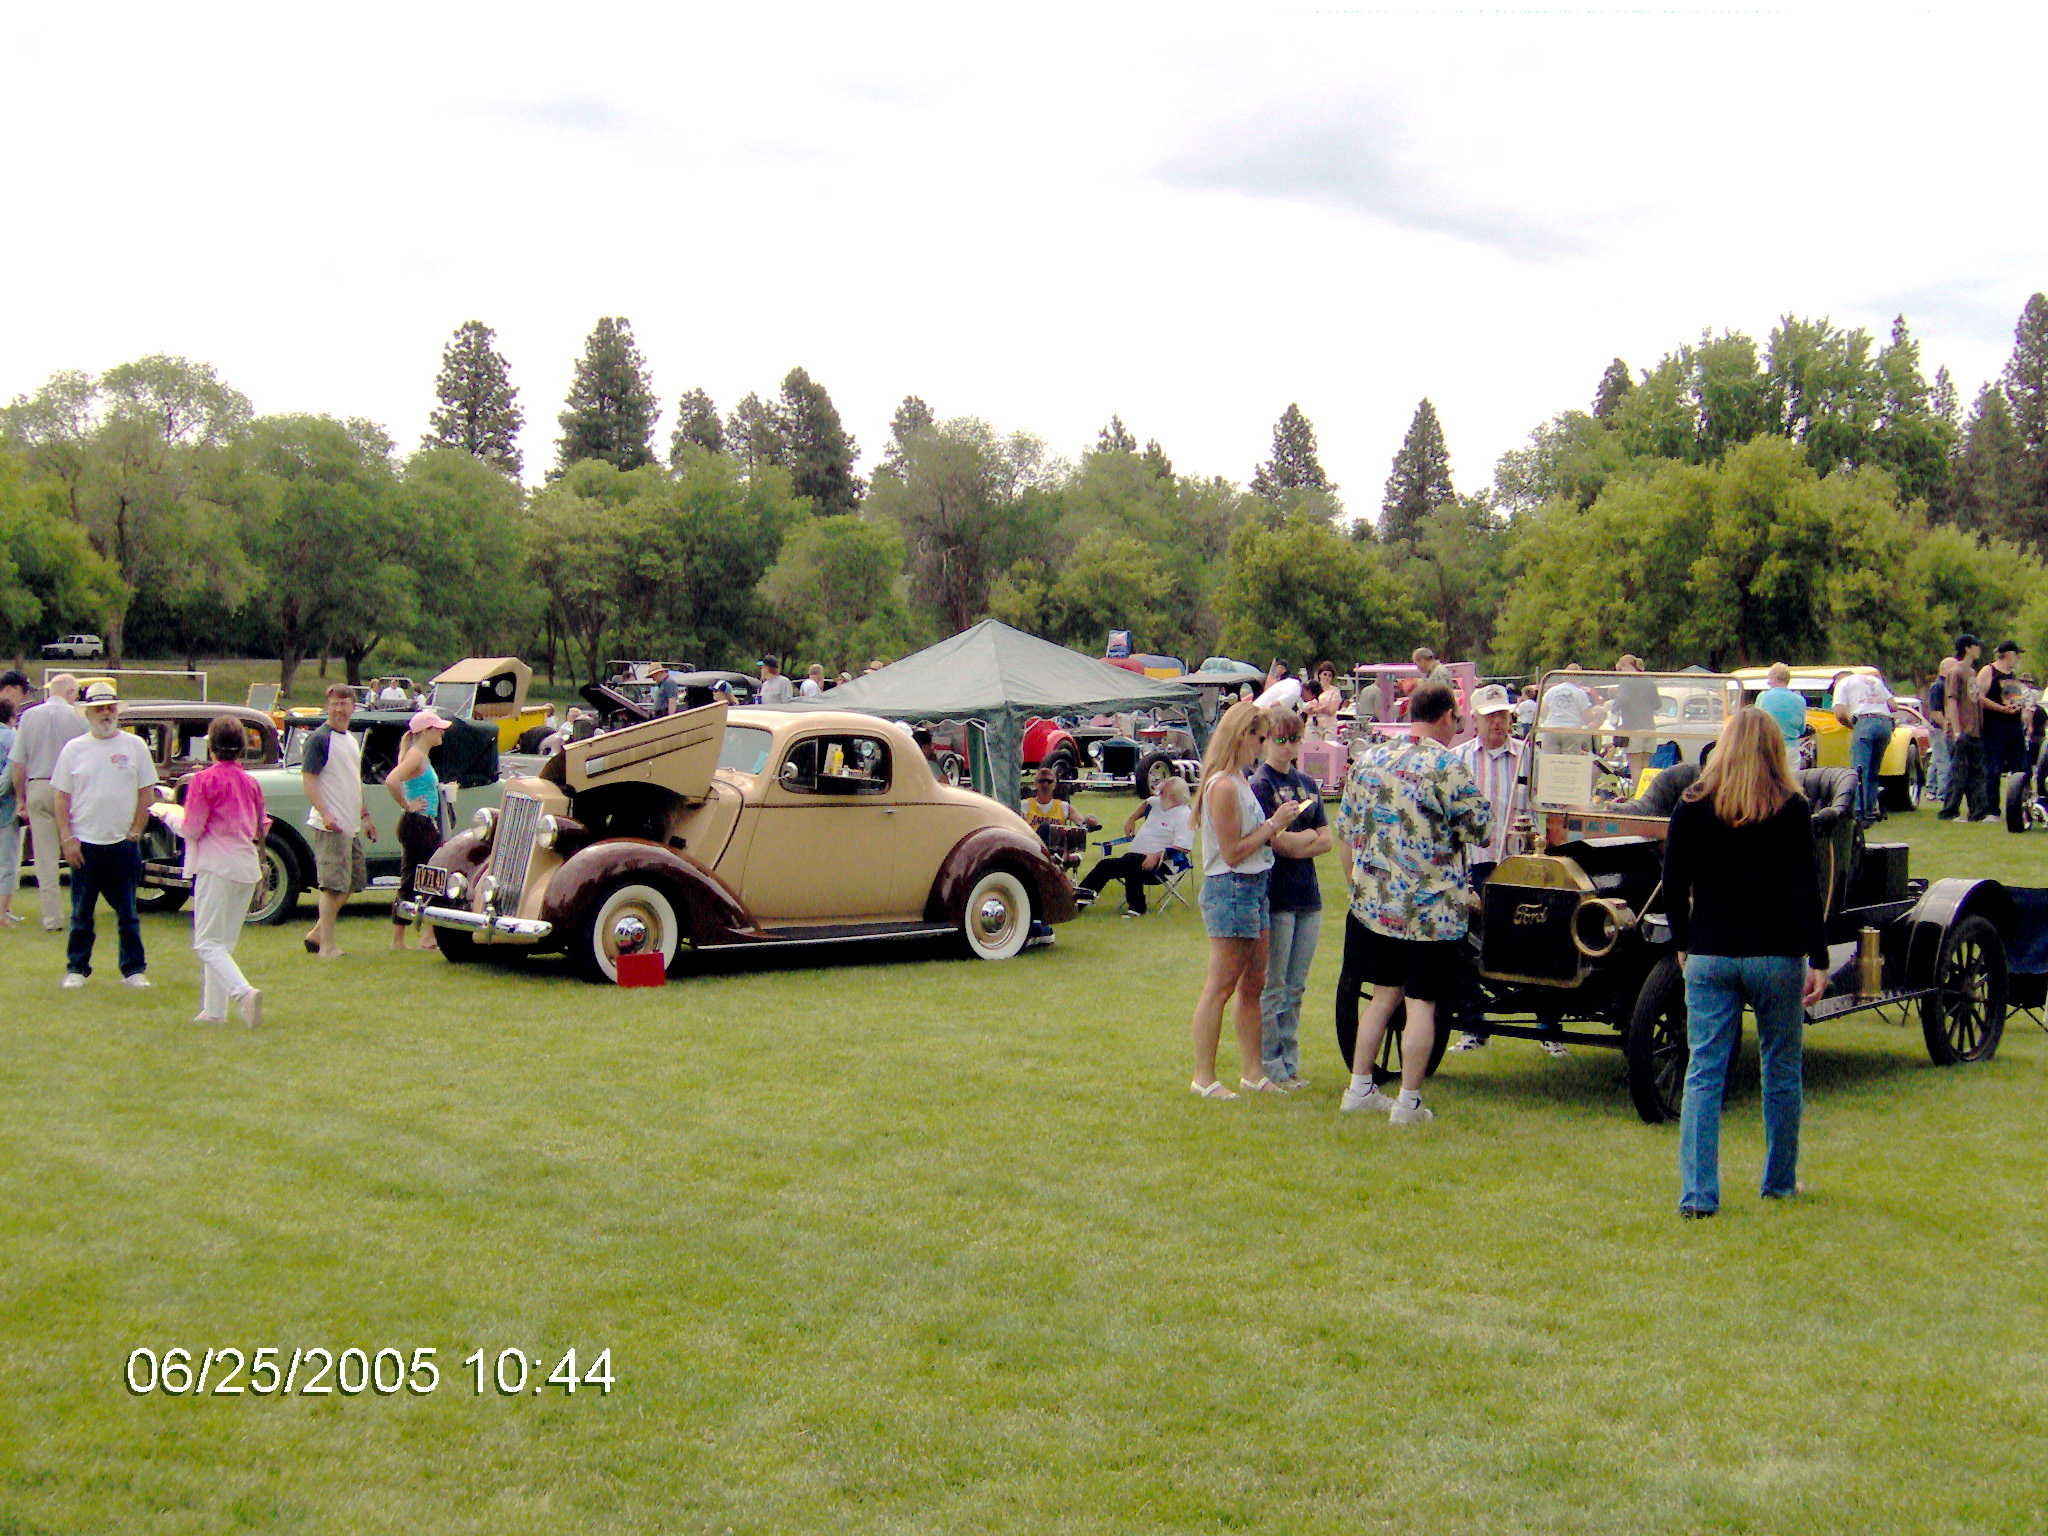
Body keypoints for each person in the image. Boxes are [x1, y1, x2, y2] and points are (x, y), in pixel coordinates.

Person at [1662, 707, 1828, 1218]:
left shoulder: (1692, 805)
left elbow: (1672, 883)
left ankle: (1698, 1195)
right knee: (1781, 1068)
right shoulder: (1791, 807)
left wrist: (1684, 942)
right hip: (1776, 954)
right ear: (1776, 751)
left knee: (1704, 1073)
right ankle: (1779, 1182)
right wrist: (1819, 956)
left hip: (1711, 951)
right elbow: (1806, 888)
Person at [1335, 681, 1490, 1123]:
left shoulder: (1368, 759)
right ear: (1446, 716)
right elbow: (1483, 829)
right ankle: (1408, 1102)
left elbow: (1346, 833)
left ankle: (1359, 1087)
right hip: (1430, 912)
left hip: (1374, 907)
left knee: (1383, 997)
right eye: (1457, 718)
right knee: (1422, 1004)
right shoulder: (1447, 766)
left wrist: (1358, 889)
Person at [1187, 700, 1304, 1100]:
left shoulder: (1239, 780)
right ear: (1242, 736)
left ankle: (1253, 1073)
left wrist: (1272, 826)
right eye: (1260, 737)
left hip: (1254, 886)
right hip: (1232, 888)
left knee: (1254, 983)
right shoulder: (1222, 786)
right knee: (1221, 986)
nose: (1263, 745)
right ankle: (1204, 1077)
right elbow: (1232, 852)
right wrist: (1274, 825)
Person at [1449, 684, 1552, 1055]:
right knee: (1464, 944)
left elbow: (1544, 807)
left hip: (1521, 867)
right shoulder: (1457, 759)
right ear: (1475, 719)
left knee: (1539, 941)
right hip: (1475, 864)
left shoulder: (1529, 756)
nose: (1497, 722)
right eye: (1490, 715)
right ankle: (1474, 1025)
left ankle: (1548, 1026)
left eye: (1503, 715)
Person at [52, 681, 157, 989]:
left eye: (110, 707)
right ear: (88, 713)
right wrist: (67, 838)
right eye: (99, 708)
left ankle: (133, 970)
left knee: (128, 912)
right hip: (85, 844)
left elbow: (146, 792)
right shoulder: (74, 750)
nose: (106, 713)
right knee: (81, 912)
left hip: (122, 844)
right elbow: (61, 798)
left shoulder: (134, 746)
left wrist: (136, 830)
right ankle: (77, 968)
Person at [1250, 707, 1331, 1090]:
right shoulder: (1260, 784)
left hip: (1309, 897)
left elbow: (1327, 838)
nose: (1288, 747)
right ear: (1266, 740)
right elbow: (1277, 842)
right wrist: (1305, 839)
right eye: (1281, 739)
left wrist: (1304, 840)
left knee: (1296, 987)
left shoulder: (1307, 783)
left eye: (1295, 739)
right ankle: (1270, 1063)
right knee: (1275, 986)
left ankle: (1290, 1062)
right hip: (1278, 895)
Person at [169, 716, 269, 1026]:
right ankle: (214, 1011)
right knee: (221, 944)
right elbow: (261, 826)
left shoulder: (204, 780)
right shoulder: (251, 783)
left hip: (217, 865)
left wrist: (168, 817)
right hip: (245, 866)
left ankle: (243, 993)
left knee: (207, 943)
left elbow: (192, 827)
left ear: (211, 747)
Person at [301, 683, 377, 958]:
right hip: (330, 826)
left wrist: (365, 817)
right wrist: (326, 813)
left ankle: (317, 934)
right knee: (332, 886)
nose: (338, 709)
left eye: (343, 703)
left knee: (352, 883)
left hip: (351, 825)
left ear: (353, 707)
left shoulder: (351, 741)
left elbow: (354, 782)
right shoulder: (319, 739)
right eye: (333, 703)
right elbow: (309, 781)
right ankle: (327, 946)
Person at [12, 672, 86, 930]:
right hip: (71, 790)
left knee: (45, 858)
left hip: (38, 784)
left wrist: (20, 798)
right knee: (78, 850)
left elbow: (18, 763)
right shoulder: (79, 717)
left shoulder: (28, 716)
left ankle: (52, 918)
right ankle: (81, 911)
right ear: (69, 692)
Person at [1076, 774, 1192, 915]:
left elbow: (1182, 848)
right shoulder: (1159, 803)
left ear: (1173, 796)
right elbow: (1147, 803)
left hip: (1160, 865)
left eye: (1162, 792)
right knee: (1105, 865)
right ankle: (1077, 902)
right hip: (1134, 859)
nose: (1159, 794)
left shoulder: (1184, 816)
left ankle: (1137, 908)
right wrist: (1131, 820)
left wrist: (1156, 856)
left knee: (1134, 861)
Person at [386, 708, 451, 951]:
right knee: (431, 875)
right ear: (426, 731)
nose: (442, 733)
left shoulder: (419, 755)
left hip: (418, 823)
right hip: (419, 823)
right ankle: (427, 936)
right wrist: (407, 805)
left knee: (413, 877)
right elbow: (392, 780)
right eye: (438, 729)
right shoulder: (416, 756)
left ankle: (401, 939)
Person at [1830, 668, 1896, 823]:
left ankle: (1859, 813)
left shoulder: (1843, 683)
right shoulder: (1874, 681)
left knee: (1859, 772)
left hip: (1864, 721)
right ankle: (1871, 810)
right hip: (1885, 724)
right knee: (1873, 771)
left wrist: (1852, 725)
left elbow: (1840, 712)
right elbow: (1894, 706)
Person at [1938, 635, 1992, 821]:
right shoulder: (1956, 672)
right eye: (1976, 646)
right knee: (1958, 773)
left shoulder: (1972, 672)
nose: (1979, 649)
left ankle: (1978, 812)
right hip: (1962, 731)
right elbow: (1952, 701)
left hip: (1974, 730)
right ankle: (1949, 812)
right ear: (1968, 648)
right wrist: (1956, 730)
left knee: (1977, 774)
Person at [1977, 642, 2027, 793]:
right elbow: (1978, 697)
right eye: (2016, 654)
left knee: (2021, 767)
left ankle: (2021, 800)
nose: (2018, 658)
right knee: (1992, 768)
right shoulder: (1988, 671)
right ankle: (1990, 804)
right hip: (1994, 727)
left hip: (2014, 726)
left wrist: (2019, 707)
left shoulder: (2012, 675)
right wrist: (2001, 709)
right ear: (2008, 654)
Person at [1022, 769, 1095, 870]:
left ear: (1054, 784)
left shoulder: (1063, 806)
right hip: (1033, 848)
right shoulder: (1025, 805)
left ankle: (1054, 859)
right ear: (1035, 784)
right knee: (1045, 827)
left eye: (1049, 781)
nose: (1045, 784)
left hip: (1057, 848)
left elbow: (1081, 821)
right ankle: (1051, 859)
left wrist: (1090, 821)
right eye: (1041, 781)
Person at [1614, 654, 1658, 780]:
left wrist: (1612, 707)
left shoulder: (1626, 682)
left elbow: (1620, 701)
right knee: (1645, 767)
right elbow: (1657, 704)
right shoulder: (1649, 681)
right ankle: (1646, 791)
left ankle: (1638, 792)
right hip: (1650, 728)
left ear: (1626, 666)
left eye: (1620, 670)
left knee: (1635, 767)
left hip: (1633, 729)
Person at [0, 699, 19, 926]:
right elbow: (10, 773)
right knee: (6, 861)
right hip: (5, 808)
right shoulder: (11, 738)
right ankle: (2, 912)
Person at [1922, 668, 1949, 803]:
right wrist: (1946, 727)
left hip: (1938, 728)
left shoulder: (1941, 685)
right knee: (1944, 761)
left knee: (1936, 760)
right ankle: (1944, 793)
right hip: (1939, 728)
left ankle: (1931, 790)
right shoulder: (1938, 686)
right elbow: (1935, 711)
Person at [1301, 661, 1343, 739]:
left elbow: (1331, 711)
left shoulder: (1335, 691)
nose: (1327, 677)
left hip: (1329, 726)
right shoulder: (1313, 687)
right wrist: (1322, 708)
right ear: (1320, 675)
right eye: (1325, 674)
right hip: (1313, 725)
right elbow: (1306, 708)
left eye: (1329, 675)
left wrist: (1315, 709)